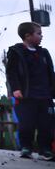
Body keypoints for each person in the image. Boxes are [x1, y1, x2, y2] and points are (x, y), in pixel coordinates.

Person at [6, 21, 55, 160]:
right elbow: (11, 72)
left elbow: (51, 72)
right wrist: (15, 88)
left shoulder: (44, 53)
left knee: (46, 124)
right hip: (26, 95)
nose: (41, 36)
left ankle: (45, 149)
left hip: (45, 96)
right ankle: (26, 147)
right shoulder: (17, 52)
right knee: (27, 124)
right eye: (38, 33)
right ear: (28, 36)